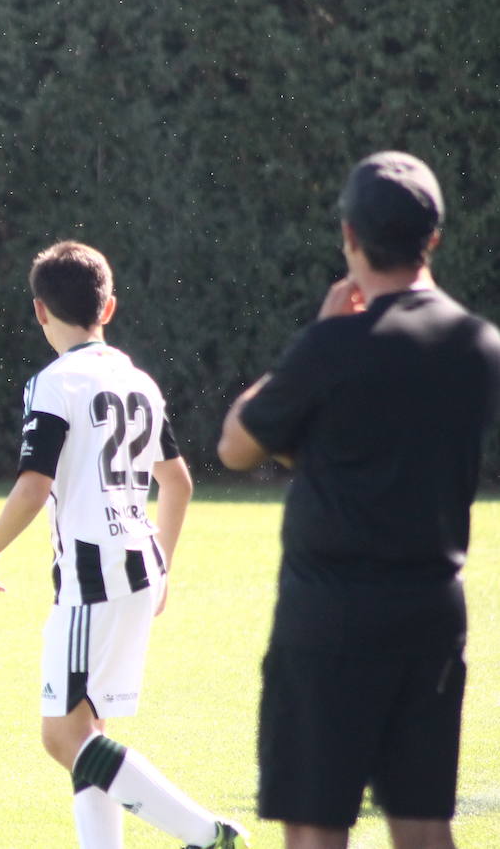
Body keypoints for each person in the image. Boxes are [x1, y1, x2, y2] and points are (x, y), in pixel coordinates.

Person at [218, 151, 500, 849]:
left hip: (331, 616)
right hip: (432, 610)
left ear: (349, 236)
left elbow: (236, 446)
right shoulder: (478, 346)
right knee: (424, 821)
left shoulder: (331, 348)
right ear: (433, 237)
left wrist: (315, 336)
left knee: (316, 823)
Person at [0, 241, 247, 849]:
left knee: (62, 737)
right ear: (109, 306)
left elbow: (31, 484)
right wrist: (165, 567)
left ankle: (210, 834)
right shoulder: (136, 378)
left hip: (92, 577)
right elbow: (177, 482)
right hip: (140, 566)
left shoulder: (54, 382)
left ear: (40, 311)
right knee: (86, 728)